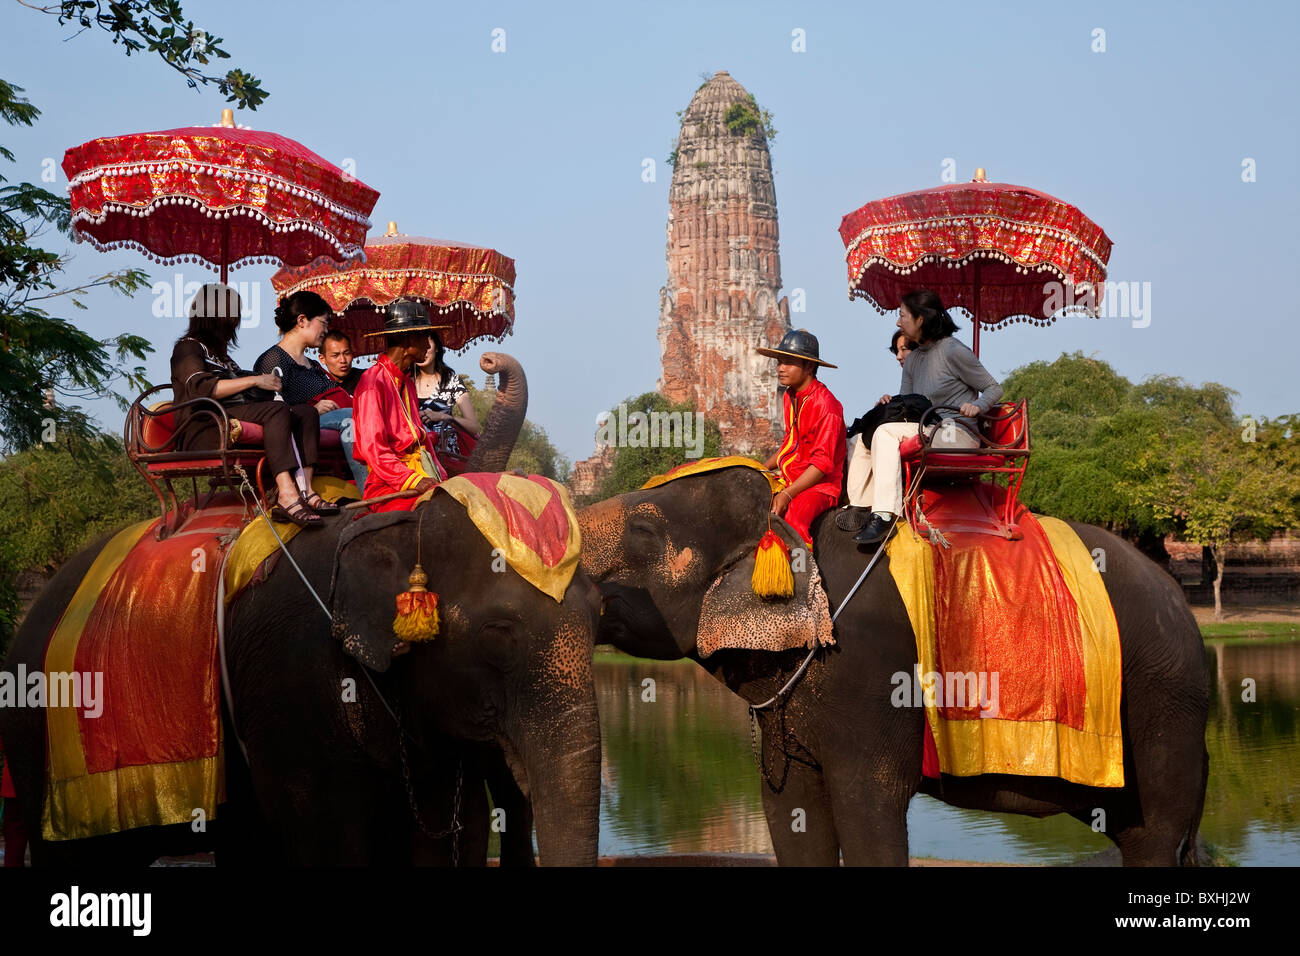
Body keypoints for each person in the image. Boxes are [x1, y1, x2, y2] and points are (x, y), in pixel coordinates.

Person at [847, 289, 1003, 545]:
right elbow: (906, 405)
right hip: (927, 429)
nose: (898, 323)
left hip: (957, 435)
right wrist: (890, 404)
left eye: (902, 316)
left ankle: (885, 516)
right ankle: (861, 506)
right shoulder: (913, 359)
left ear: (920, 319)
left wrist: (978, 405)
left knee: (885, 434)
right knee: (862, 437)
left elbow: (994, 388)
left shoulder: (954, 351)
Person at [170, 283, 326, 527]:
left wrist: (263, 386)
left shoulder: (221, 356)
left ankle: (305, 491)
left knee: (306, 412)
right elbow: (202, 389)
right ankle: (286, 494)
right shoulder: (188, 348)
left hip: (224, 416)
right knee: (277, 411)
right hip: (203, 427)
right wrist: (255, 379)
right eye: (232, 315)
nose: (236, 322)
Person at [255, 291, 367, 493]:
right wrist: (313, 409)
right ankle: (369, 490)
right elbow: (272, 411)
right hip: (302, 425)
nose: (326, 330)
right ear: (302, 320)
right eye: (323, 323)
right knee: (350, 418)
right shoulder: (274, 359)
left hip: (331, 418)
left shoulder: (313, 365)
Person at [352, 300, 448, 512]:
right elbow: (373, 449)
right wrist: (413, 481)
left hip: (421, 474)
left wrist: (442, 476)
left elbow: (422, 440)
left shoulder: (407, 384)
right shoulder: (372, 382)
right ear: (408, 339)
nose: (429, 345)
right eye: (425, 337)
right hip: (388, 485)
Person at [756, 328, 846, 548]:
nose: (780, 368)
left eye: (788, 362)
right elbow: (790, 443)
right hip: (790, 477)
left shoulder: (827, 406)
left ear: (809, 366)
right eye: (779, 362)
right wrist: (759, 469)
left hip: (820, 486)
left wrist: (787, 495)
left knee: (794, 522)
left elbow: (821, 465)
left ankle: (804, 578)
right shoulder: (790, 395)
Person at [412, 330, 480, 464]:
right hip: (413, 451)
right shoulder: (404, 382)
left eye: (427, 345)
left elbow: (473, 426)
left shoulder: (452, 381)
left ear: (437, 348)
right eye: (418, 345)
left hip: (445, 455)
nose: (423, 350)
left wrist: (443, 417)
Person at [320, 329, 363, 394]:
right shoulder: (319, 388)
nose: (343, 360)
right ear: (322, 359)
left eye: (347, 353)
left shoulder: (366, 378)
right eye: (335, 355)